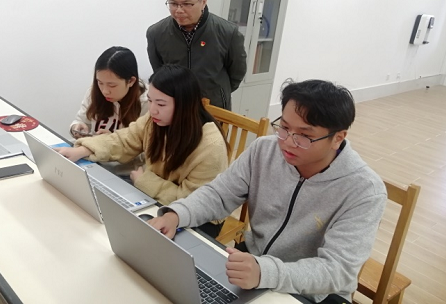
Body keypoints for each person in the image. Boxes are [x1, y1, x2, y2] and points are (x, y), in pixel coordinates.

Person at [148, 79, 387, 303]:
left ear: (337, 138)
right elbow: (219, 194)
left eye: (304, 136)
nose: (287, 142)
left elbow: (338, 270)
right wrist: (177, 214)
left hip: (314, 293)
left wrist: (265, 272)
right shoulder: (264, 150)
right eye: (284, 127)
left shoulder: (364, 190)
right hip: (255, 263)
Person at [58, 65, 230, 236]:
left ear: (184, 105)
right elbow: (125, 139)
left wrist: (144, 181)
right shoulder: (155, 120)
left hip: (198, 219)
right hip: (158, 200)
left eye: (161, 104)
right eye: (150, 100)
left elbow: (193, 202)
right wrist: (84, 149)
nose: (153, 109)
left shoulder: (210, 146)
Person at [146, 0, 247, 110]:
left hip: (214, 108)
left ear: (203, 2)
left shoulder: (228, 32)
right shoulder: (156, 33)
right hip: (175, 107)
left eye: (187, 4)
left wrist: (217, 93)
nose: (178, 10)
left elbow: (237, 74)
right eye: (173, 3)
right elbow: (160, 73)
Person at [70, 46, 148, 139]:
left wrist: (113, 141)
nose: (105, 91)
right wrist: (76, 127)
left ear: (131, 81)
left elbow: (146, 144)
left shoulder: (147, 102)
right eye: (100, 82)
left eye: (112, 85)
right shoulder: (94, 92)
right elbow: (81, 120)